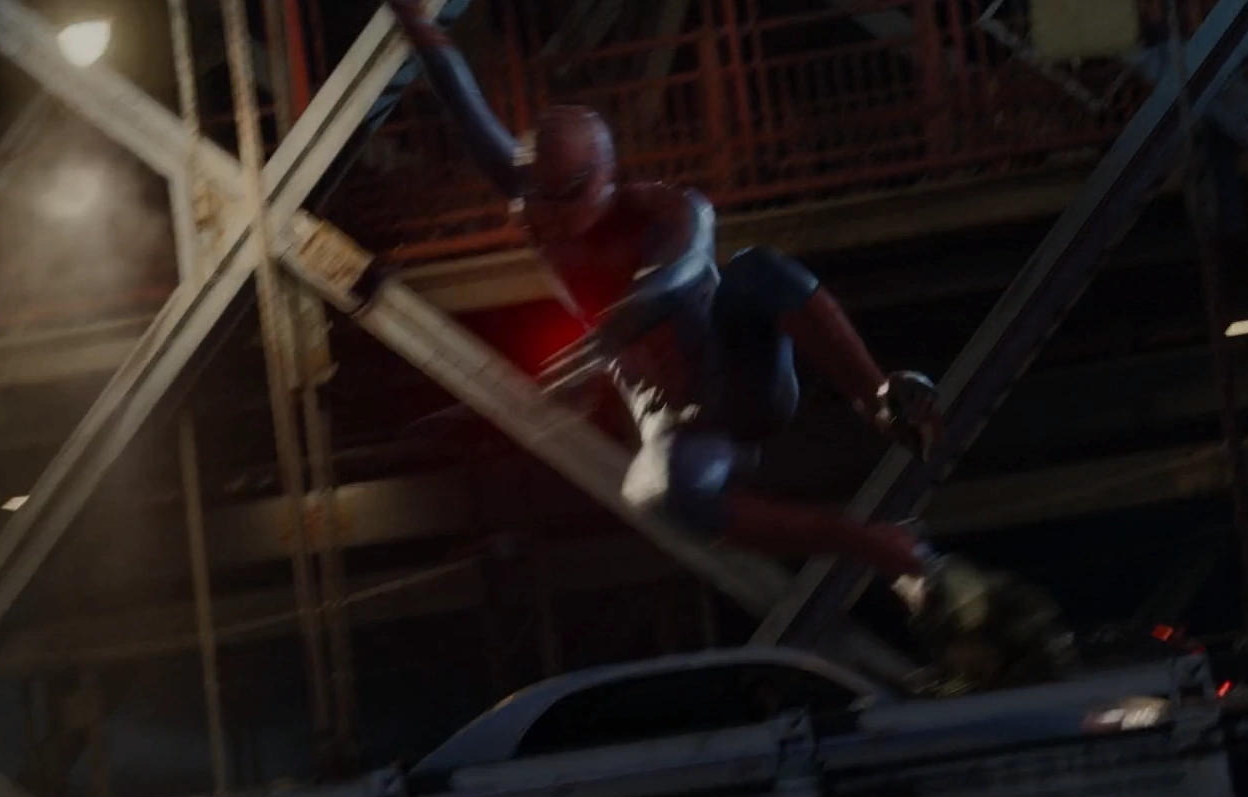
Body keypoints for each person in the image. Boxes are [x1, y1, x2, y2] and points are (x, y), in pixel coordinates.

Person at [383, 0, 943, 585]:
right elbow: (466, 106)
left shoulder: (668, 210)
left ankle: (879, 396)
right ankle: (877, 546)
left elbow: (678, 273)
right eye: (540, 196)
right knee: (656, 492)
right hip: (675, 411)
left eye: (568, 195)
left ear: (605, 176)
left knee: (756, 270)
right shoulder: (537, 203)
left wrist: (613, 330)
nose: (552, 214)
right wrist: (417, 23)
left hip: (736, 374)